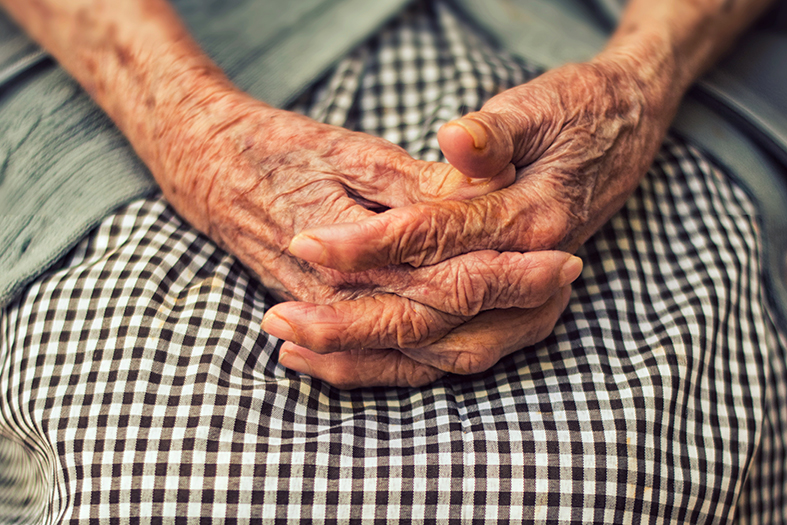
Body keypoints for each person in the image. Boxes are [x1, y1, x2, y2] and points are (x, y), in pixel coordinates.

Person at [0, 0, 785, 522]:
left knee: (609, 475)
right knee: (160, 479)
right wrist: (188, 125)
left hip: (617, 35)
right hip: (147, 54)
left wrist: (641, 79)